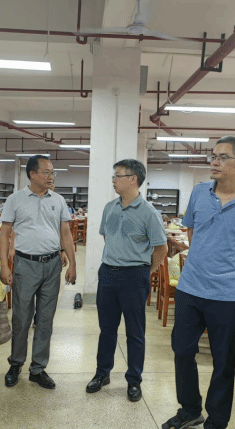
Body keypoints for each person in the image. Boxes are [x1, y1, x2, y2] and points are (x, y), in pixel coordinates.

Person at [162, 136, 235, 429]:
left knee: (223, 361)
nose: (215, 162)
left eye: (223, 157)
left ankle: (217, 420)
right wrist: (203, 260)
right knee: (183, 351)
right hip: (190, 289)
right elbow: (192, 233)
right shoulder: (199, 192)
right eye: (213, 156)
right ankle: (190, 410)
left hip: (227, 295)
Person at [86, 159, 167, 402]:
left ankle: (134, 380)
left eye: (118, 175)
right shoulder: (110, 208)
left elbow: (161, 249)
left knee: (135, 331)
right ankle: (102, 373)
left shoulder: (149, 212)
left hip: (134, 276)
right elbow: (107, 238)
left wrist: (145, 271)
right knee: (107, 329)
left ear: (133, 179)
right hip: (108, 273)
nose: (113, 180)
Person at [0, 155, 76, 390]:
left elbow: (65, 233)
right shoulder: (15, 200)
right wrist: (4, 265)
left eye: (53, 172)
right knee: (21, 318)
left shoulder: (58, 200)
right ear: (32, 174)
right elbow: (5, 234)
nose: (51, 177)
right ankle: (16, 364)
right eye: (46, 172)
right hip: (25, 264)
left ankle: (38, 368)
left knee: (45, 319)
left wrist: (73, 263)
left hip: (52, 265)